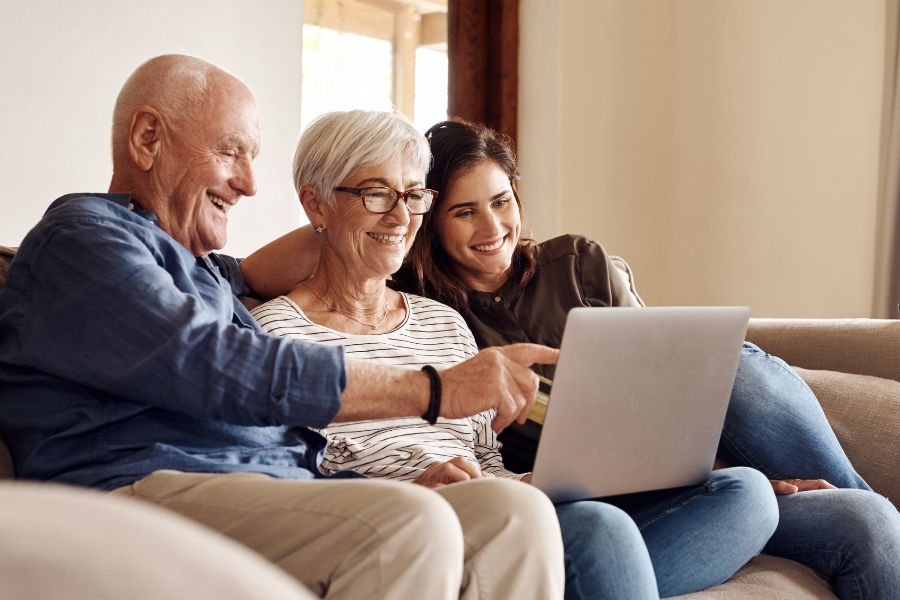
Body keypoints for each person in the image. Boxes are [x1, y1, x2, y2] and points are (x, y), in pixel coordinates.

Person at [0, 56, 569, 599]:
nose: (248, 184)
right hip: (135, 484)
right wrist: (437, 389)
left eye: (411, 196)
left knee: (513, 515)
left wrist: (360, 225)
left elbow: (257, 267)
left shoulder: (203, 270)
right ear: (147, 139)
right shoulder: (84, 241)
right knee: (401, 527)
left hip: (273, 484)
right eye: (231, 153)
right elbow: (217, 364)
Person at [250, 109, 780, 600]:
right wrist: (407, 490)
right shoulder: (270, 336)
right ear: (314, 204)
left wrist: (522, 483)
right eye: (374, 194)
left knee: (746, 492)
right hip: (409, 527)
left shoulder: (441, 321)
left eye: (412, 195)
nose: (398, 216)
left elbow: (485, 457)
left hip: (511, 509)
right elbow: (286, 485)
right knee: (601, 527)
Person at [401, 119, 899, 599]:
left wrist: (730, 475)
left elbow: (668, 395)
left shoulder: (578, 264)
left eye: (501, 201)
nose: (492, 226)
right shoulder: (427, 318)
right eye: (465, 212)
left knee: (865, 517)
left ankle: (850, 493)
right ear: (431, 224)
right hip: (579, 508)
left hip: (679, 483)